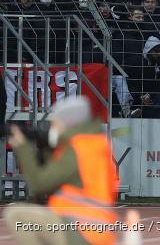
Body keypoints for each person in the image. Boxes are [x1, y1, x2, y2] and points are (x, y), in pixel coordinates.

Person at [4, 96, 119, 245]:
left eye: (57, 123)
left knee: (16, 215)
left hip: (81, 230)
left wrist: (22, 147)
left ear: (69, 123)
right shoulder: (93, 142)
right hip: (98, 229)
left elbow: (39, 184)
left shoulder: (75, 150)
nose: (54, 127)